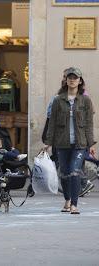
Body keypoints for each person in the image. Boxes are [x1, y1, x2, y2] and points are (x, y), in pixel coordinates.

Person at [43, 67, 95, 215]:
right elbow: (52, 122)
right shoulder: (58, 100)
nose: (72, 80)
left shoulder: (85, 100)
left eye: (75, 78)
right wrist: (48, 142)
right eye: (70, 78)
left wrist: (90, 144)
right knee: (64, 173)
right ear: (66, 80)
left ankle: (74, 204)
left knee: (74, 172)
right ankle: (67, 200)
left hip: (80, 143)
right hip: (62, 142)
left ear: (80, 81)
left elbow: (89, 124)